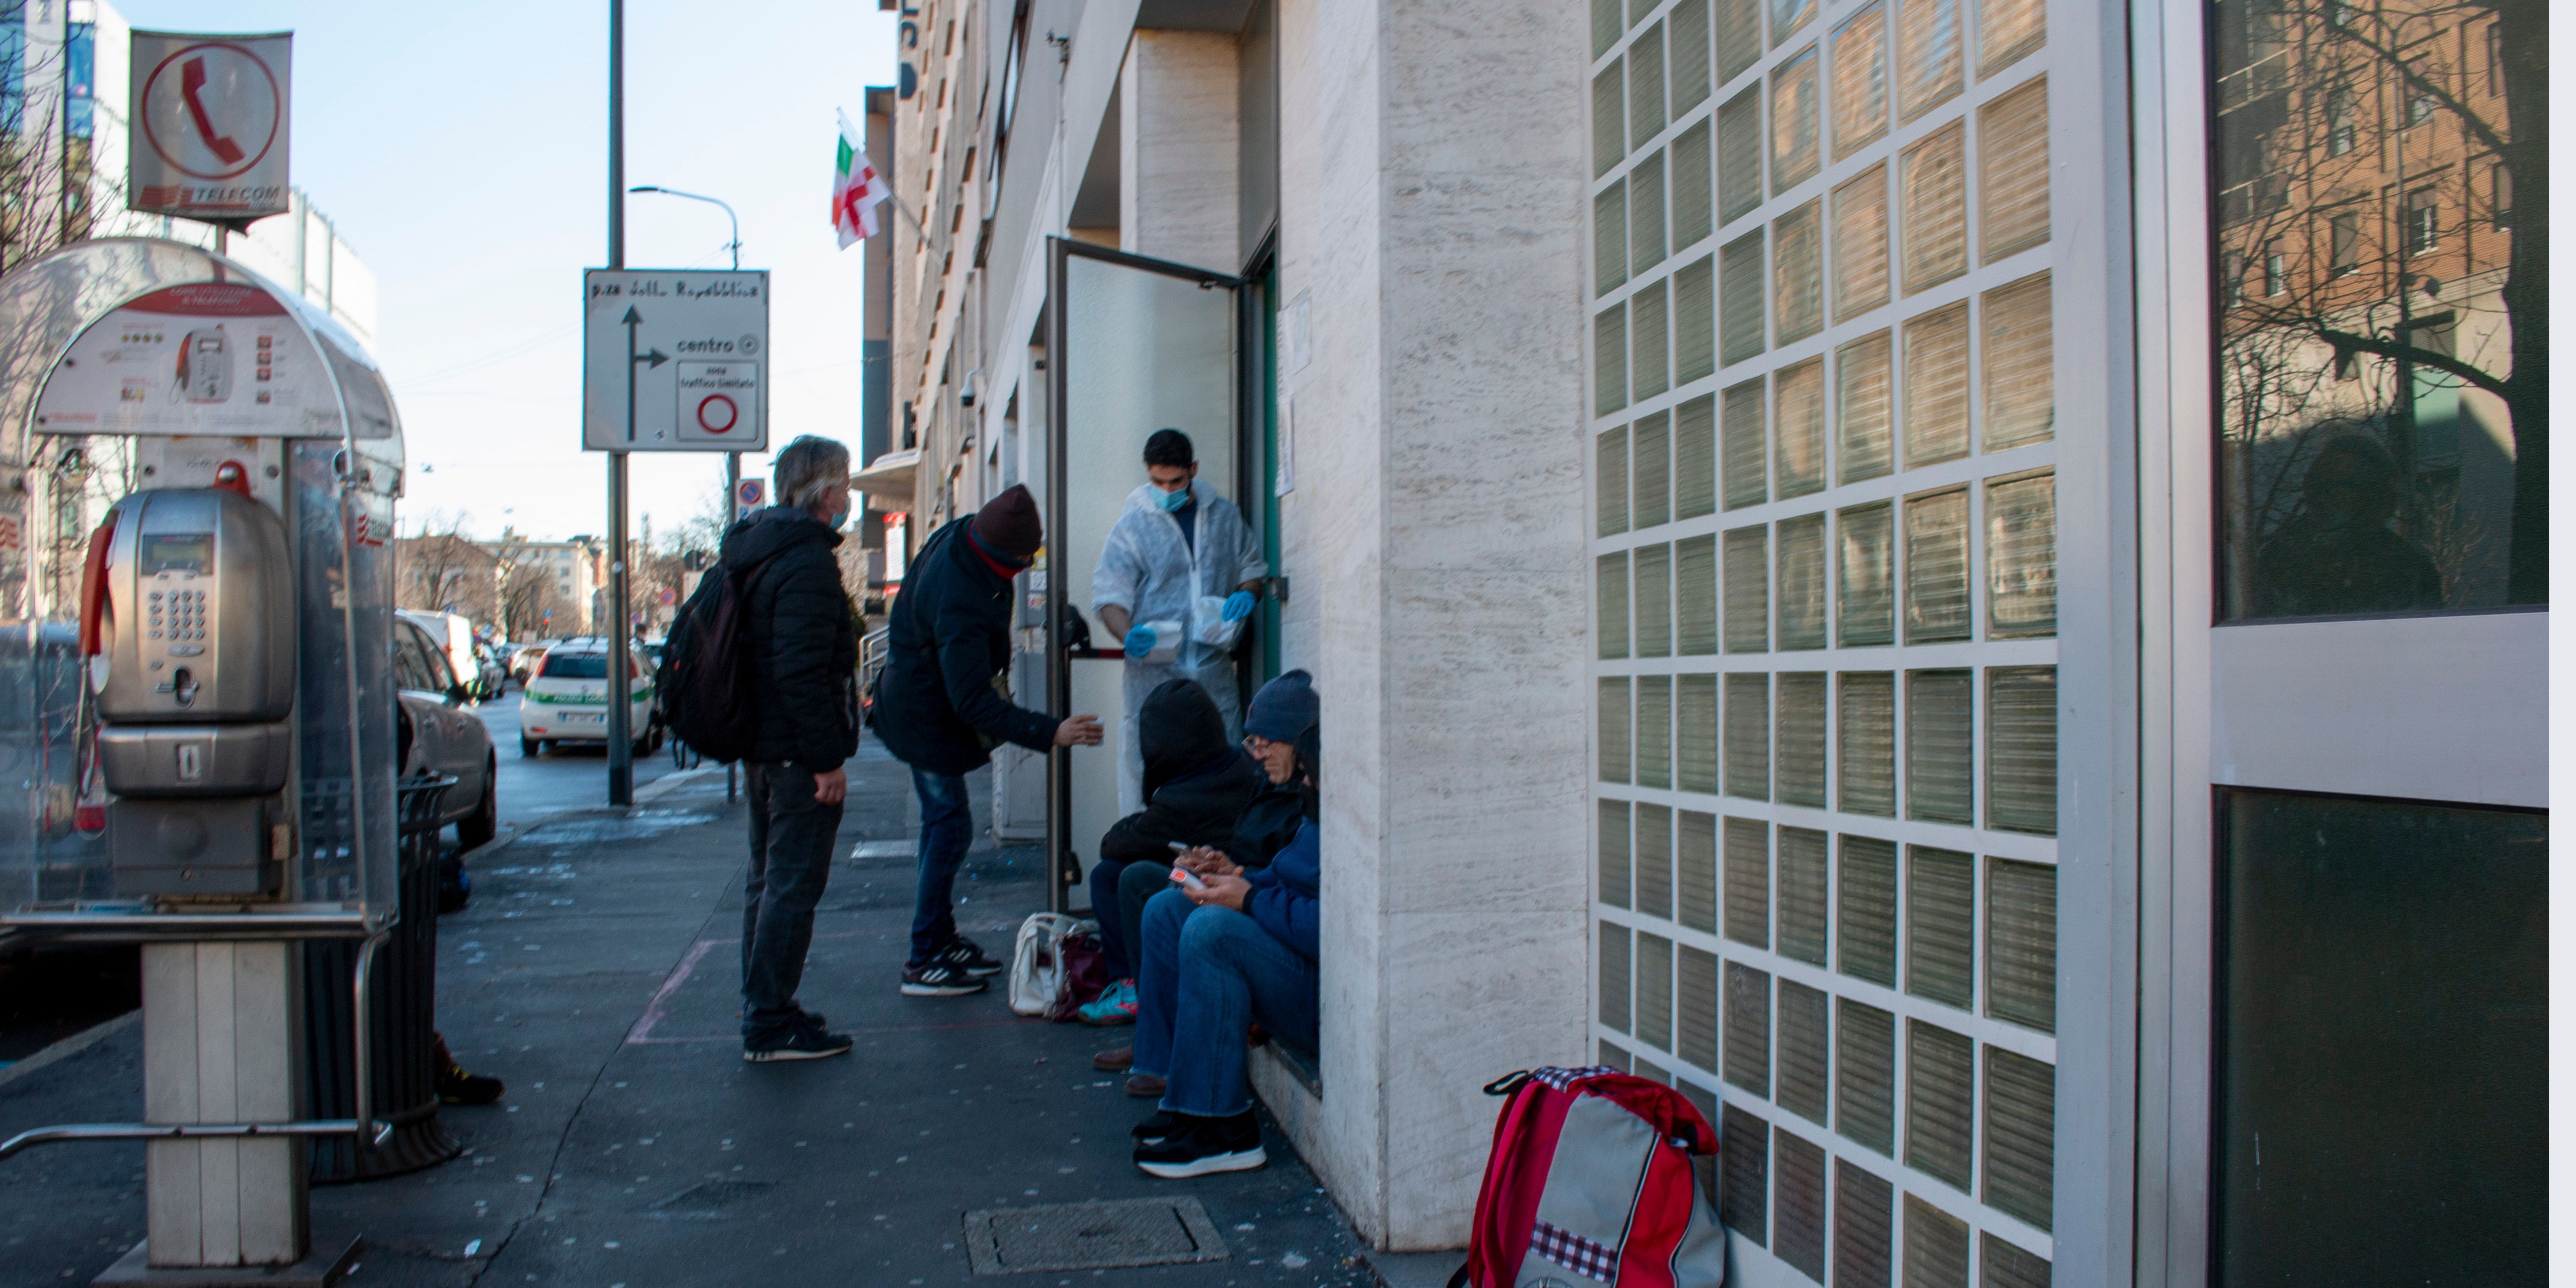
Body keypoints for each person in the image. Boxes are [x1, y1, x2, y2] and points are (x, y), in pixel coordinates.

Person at [873, 484, 1105, 995]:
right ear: (1004, 558)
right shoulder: (962, 597)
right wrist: (1052, 731)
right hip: (924, 718)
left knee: (945, 827)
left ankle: (937, 938)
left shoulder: (965, 536)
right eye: (1024, 561)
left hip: (918, 703)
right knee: (950, 827)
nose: (1027, 568)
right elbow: (971, 702)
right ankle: (923, 957)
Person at [1126, 725, 1321, 1178]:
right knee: (1169, 907)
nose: (1305, 784)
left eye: (1312, 775)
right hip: (1292, 957)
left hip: (1322, 993)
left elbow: (1333, 928)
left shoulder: (1351, 826)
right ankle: (1181, 1094)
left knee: (1212, 931)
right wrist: (1232, 876)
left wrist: (1249, 899)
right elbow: (1288, 877)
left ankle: (1223, 1129)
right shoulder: (1316, 809)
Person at [1088, 669, 1316, 1048]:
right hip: (1262, 905)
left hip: (1282, 940)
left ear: (1299, 743)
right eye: (1252, 742)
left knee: (1187, 913)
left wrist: (1246, 890)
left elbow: (1310, 911)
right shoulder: (1265, 780)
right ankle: (1158, 1049)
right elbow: (1273, 872)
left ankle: (1171, 1040)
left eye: (1267, 743)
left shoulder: (1308, 805)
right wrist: (1226, 868)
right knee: (1162, 901)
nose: (1257, 755)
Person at [731, 436, 864, 1061]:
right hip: (795, 756)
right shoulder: (807, 562)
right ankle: (769, 1021)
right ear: (822, 492)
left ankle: (768, 1006)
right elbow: (804, 671)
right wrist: (826, 761)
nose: (849, 496)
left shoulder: (759, 550)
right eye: (843, 483)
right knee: (790, 886)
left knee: (766, 882)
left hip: (762, 749)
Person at [1092, 429, 1268, 817]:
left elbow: (1251, 569)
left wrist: (1248, 593)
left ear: (1193, 470)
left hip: (1212, 674)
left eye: (1175, 481)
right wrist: (1127, 634)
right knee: (1151, 785)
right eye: (1157, 481)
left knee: (1224, 780)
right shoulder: (1132, 527)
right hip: (1154, 680)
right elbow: (1109, 597)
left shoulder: (1224, 518)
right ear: (1147, 474)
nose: (1166, 490)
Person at [1076, 678, 1265, 1026]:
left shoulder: (1181, 799)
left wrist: (1143, 818)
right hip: (1234, 878)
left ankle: (1133, 987)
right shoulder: (1240, 765)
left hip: (1212, 886)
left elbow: (1115, 843)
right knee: (1134, 872)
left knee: (1119, 876)